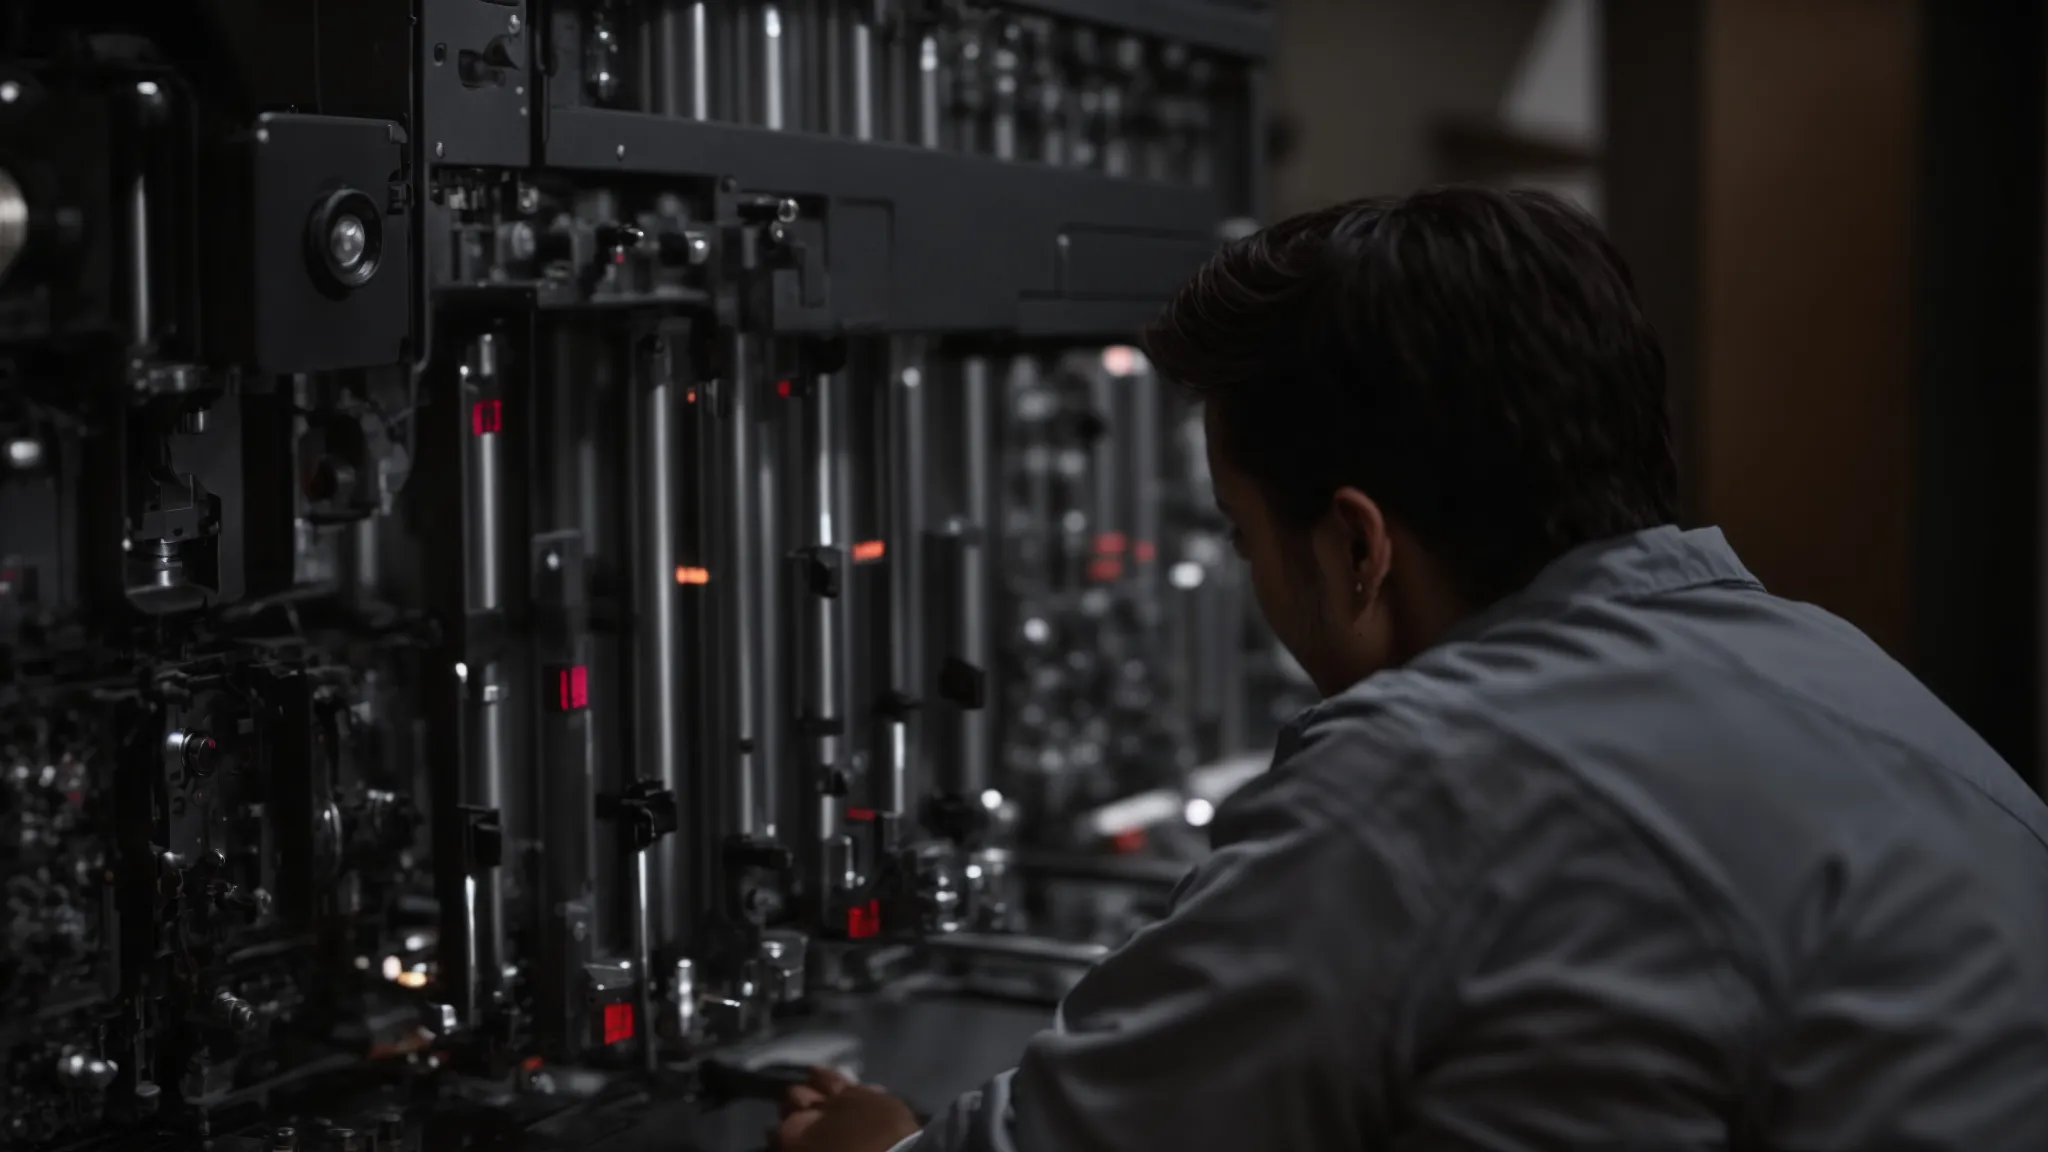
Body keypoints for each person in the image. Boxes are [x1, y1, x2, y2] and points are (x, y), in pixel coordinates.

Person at [772, 187, 2048, 1151]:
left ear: (1357, 545)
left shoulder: (1426, 767)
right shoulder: (1848, 677)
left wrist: (870, 1139)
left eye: (1239, 532)